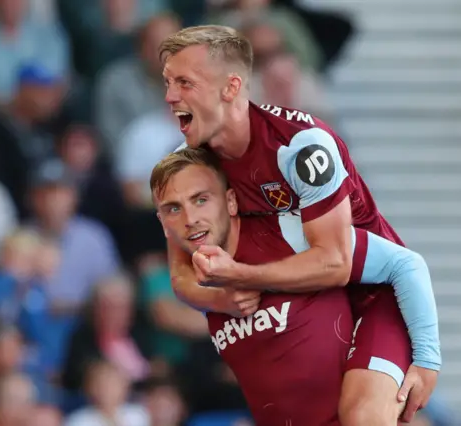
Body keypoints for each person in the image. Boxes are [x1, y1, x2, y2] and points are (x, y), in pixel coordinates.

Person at [159, 25, 440, 425]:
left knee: (363, 418)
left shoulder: (300, 145)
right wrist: (220, 299)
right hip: (302, 299)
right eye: (169, 83)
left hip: (371, 289)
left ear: (230, 87)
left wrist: (241, 275)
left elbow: (337, 263)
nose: (170, 97)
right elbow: (182, 273)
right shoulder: (187, 166)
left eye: (184, 83)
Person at [150, 147, 438, 426]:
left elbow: (406, 265)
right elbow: (181, 282)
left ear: (231, 201)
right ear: (163, 224)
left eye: (201, 200)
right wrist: (219, 300)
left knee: (363, 418)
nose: (190, 219)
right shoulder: (201, 277)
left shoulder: (288, 231)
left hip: (377, 322)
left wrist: (427, 361)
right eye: (174, 209)